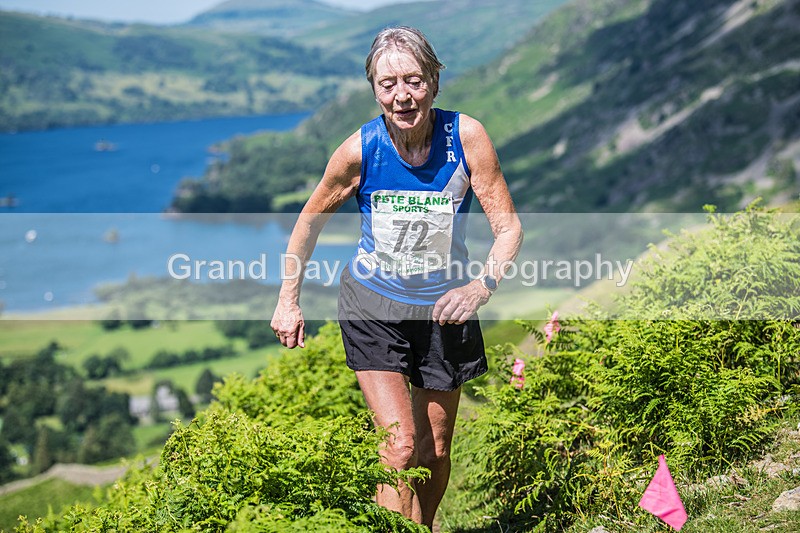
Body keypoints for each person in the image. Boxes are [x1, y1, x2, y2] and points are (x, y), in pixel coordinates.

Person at [271, 26, 522, 528]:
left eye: (413, 80)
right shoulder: (359, 150)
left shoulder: (465, 137)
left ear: (433, 81)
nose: (402, 96)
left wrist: (480, 286)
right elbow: (310, 219)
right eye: (388, 84)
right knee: (400, 446)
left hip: (444, 310)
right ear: (374, 89)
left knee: (434, 449)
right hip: (373, 307)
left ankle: (422, 526)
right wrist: (288, 299)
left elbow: (508, 226)